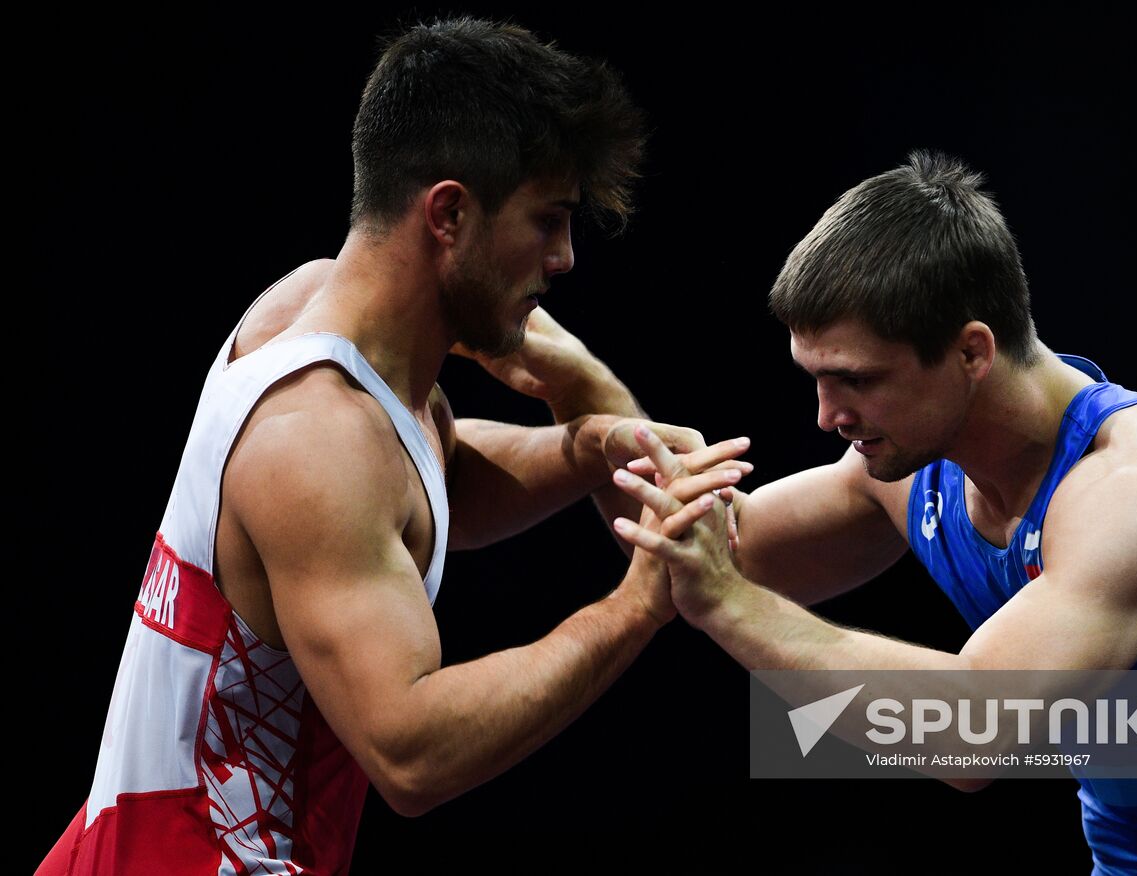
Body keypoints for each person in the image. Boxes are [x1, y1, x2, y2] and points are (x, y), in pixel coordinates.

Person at [38, 17, 749, 875]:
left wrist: (584, 446)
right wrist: (638, 605)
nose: (563, 258)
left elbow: (416, 489)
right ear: (448, 212)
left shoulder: (315, 311)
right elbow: (412, 753)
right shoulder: (313, 442)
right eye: (548, 220)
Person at [610, 150, 1137, 873]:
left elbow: (970, 736)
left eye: (857, 380)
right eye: (814, 378)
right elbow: (714, 556)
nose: (827, 417)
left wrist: (729, 600)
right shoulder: (904, 468)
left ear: (972, 352)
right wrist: (588, 418)